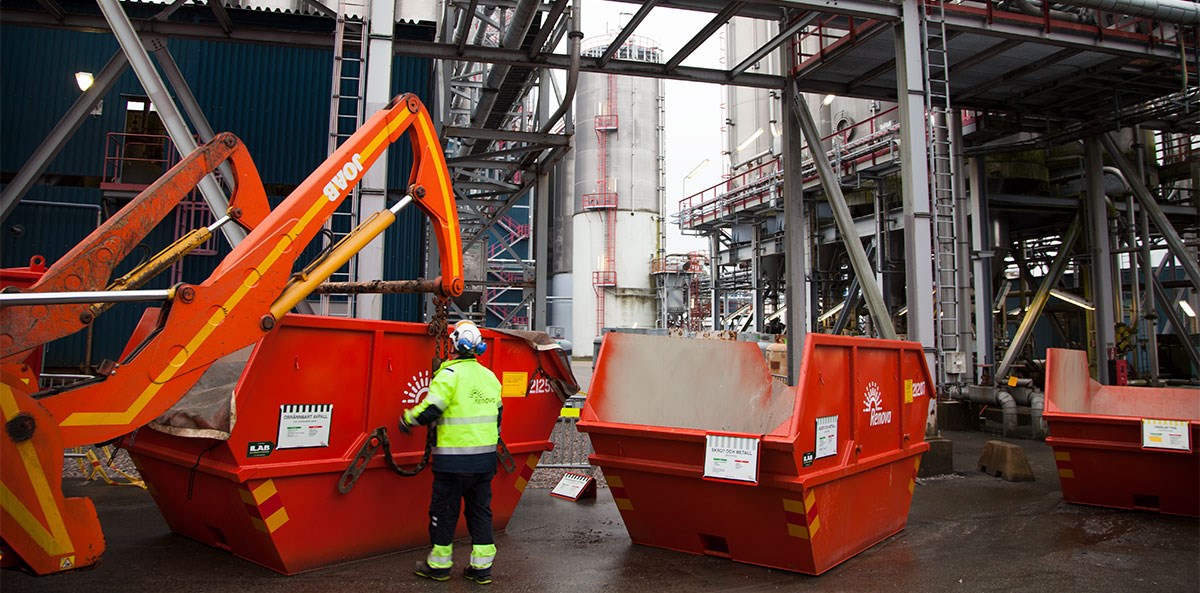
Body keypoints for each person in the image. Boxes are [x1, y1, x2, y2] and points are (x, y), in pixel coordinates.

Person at [400, 319, 503, 585]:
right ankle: (481, 570)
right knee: (480, 512)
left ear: (454, 344)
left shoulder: (449, 375)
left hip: (453, 462)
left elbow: (432, 408)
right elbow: (498, 416)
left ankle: (439, 566)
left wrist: (407, 419)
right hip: (484, 462)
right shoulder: (490, 377)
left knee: (444, 512)